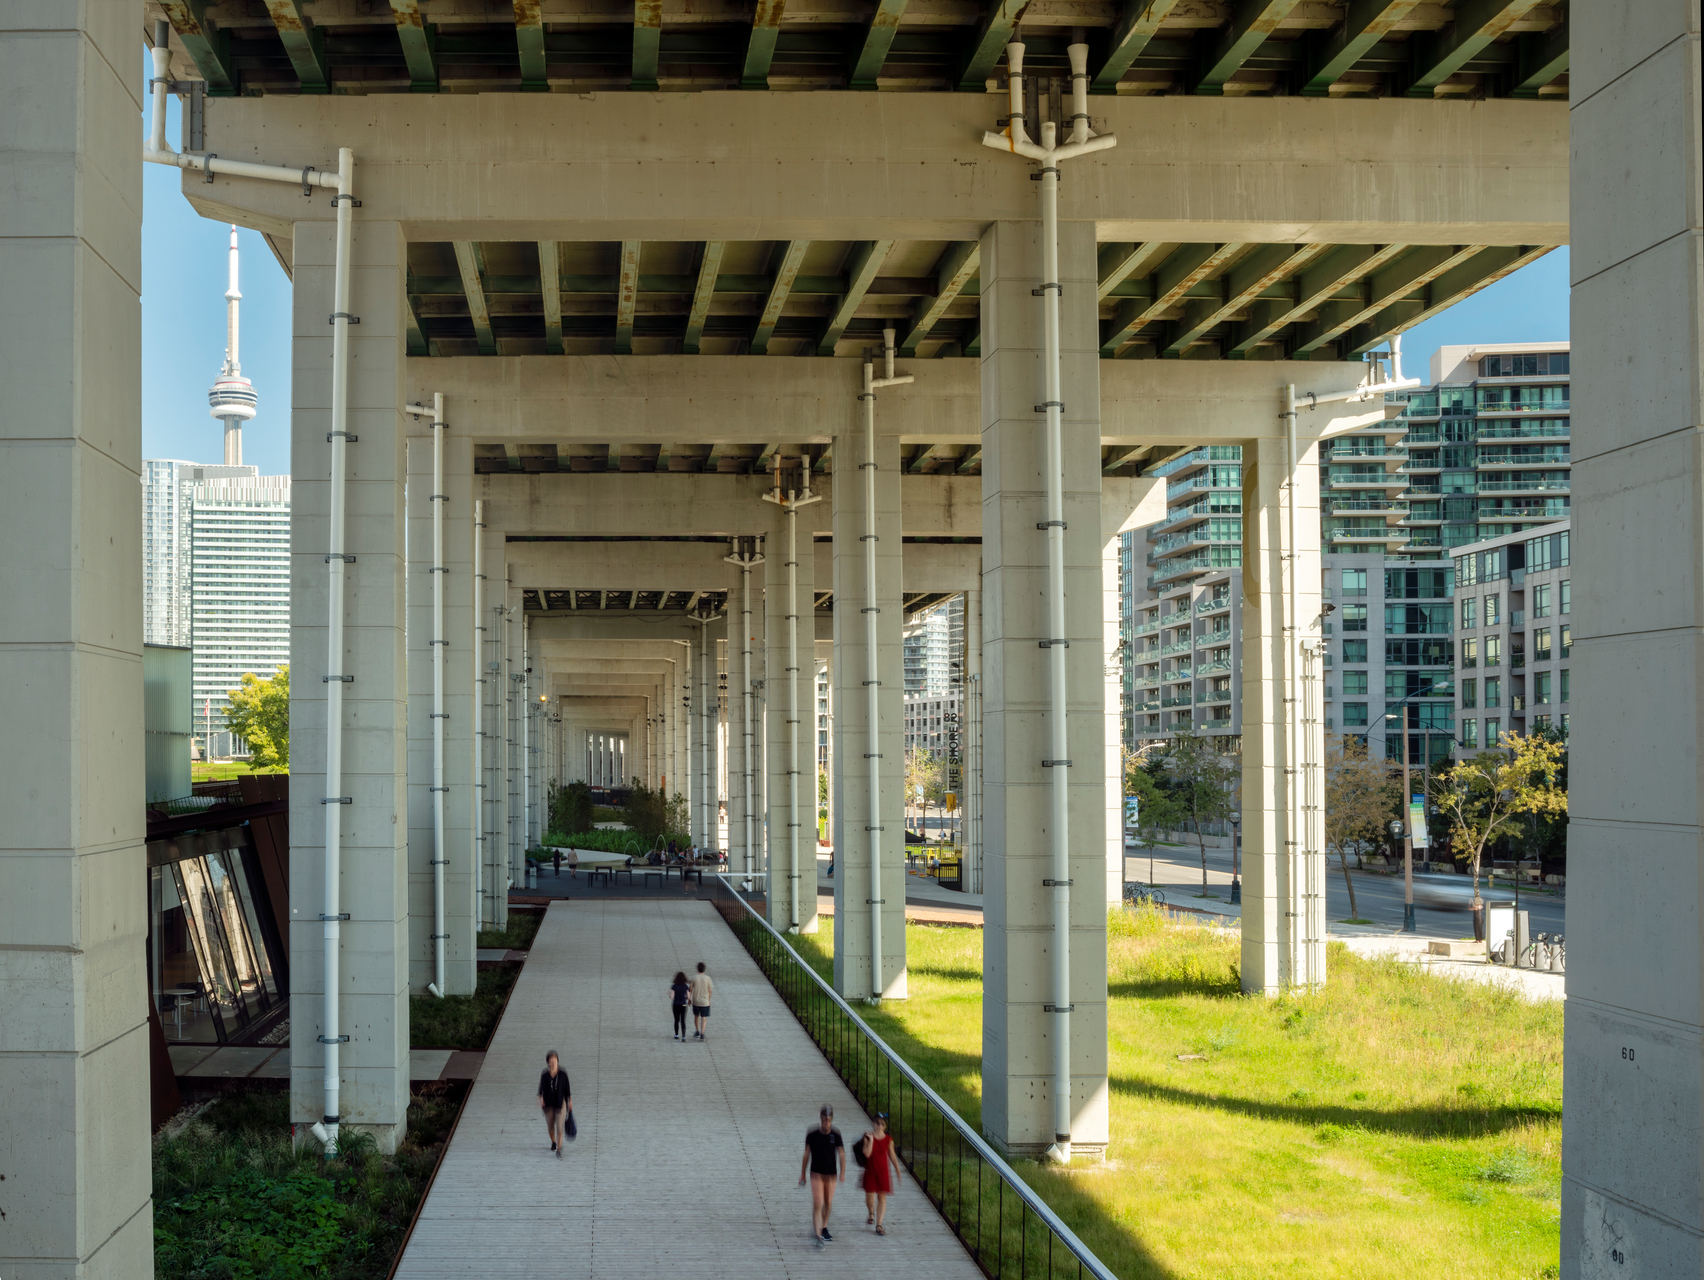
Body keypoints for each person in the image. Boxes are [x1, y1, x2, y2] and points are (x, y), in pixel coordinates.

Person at [798, 1104, 845, 1247]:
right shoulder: (812, 1135)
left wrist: (842, 1172)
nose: (826, 1123)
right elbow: (806, 1154)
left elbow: (841, 1154)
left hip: (831, 1173)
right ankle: (817, 1233)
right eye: (824, 1120)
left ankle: (824, 1226)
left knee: (828, 1201)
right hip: (816, 1172)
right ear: (821, 1118)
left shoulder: (835, 1135)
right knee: (818, 1201)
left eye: (829, 1120)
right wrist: (803, 1174)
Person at [859, 1113, 902, 1235]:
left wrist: (898, 1171)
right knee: (870, 1198)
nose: (879, 1125)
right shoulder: (868, 1136)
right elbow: (866, 1154)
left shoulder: (889, 1139)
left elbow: (892, 1156)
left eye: (882, 1124)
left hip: (883, 1172)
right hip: (870, 1171)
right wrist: (871, 1140)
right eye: (877, 1123)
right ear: (873, 1123)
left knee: (882, 1198)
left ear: (885, 1126)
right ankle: (871, 1211)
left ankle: (879, 1225)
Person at [537, 1050, 572, 1158]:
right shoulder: (545, 1075)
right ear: (548, 1062)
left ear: (558, 1061)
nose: (553, 1063)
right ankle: (553, 1142)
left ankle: (559, 1149)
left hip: (560, 1104)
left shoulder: (563, 1075)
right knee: (550, 1125)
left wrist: (569, 1101)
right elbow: (541, 1089)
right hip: (548, 1105)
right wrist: (541, 1099)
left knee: (560, 1127)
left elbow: (567, 1090)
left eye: (555, 1060)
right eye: (551, 1061)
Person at [689, 962, 714, 1040]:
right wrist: (709, 1000)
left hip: (696, 1001)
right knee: (704, 1018)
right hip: (705, 1001)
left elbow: (690, 990)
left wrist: (689, 999)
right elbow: (710, 990)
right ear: (704, 969)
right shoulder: (708, 978)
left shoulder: (694, 978)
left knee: (696, 1016)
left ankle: (697, 1031)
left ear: (697, 969)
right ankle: (702, 1033)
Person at [668, 970, 691, 1041]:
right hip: (683, 1004)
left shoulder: (674, 986)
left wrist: (669, 994)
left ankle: (676, 1034)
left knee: (676, 1020)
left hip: (676, 1005)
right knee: (683, 1020)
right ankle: (683, 1036)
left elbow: (672, 997)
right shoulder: (685, 986)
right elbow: (688, 997)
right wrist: (685, 998)